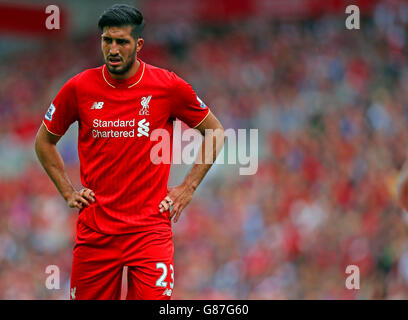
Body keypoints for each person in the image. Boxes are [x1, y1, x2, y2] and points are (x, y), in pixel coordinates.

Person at [34, 4, 225, 300]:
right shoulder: (78, 88)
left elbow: (215, 131)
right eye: (106, 40)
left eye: (121, 41)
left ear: (138, 45)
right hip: (96, 233)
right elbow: (44, 141)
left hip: (150, 231)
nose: (112, 48)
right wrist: (68, 191)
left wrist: (188, 187)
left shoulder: (168, 86)